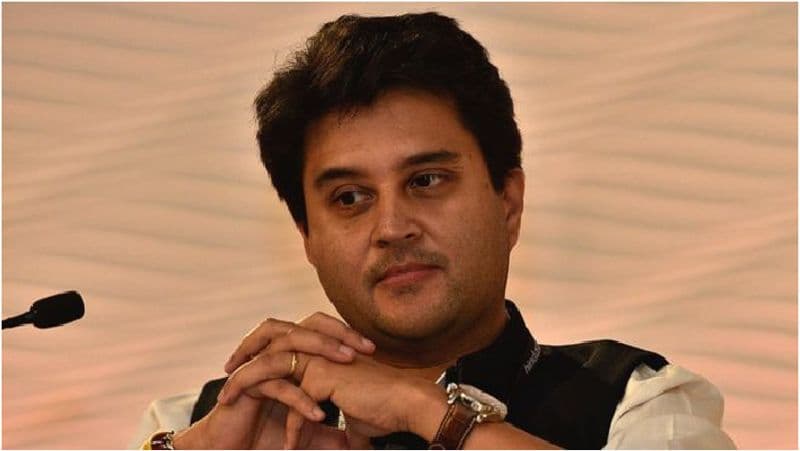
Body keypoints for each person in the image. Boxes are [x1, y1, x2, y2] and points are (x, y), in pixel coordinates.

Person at [132, 12, 735, 450]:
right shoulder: (200, 422)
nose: (392, 227)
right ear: (307, 235)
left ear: (508, 203)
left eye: (426, 181)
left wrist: (426, 411)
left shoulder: (638, 401)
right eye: (349, 198)